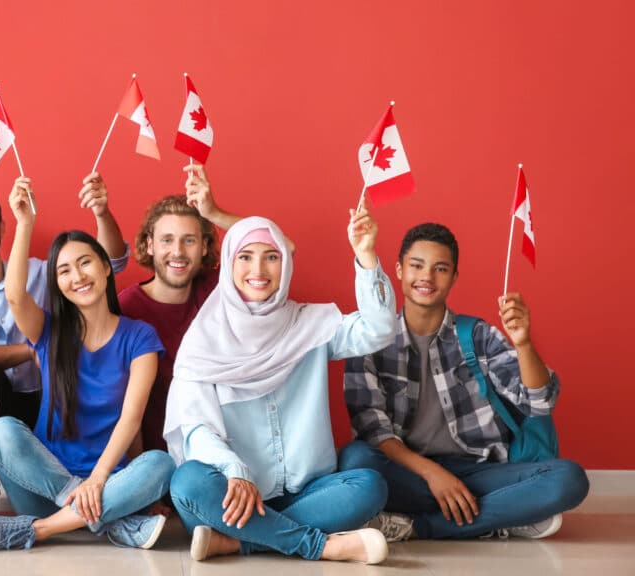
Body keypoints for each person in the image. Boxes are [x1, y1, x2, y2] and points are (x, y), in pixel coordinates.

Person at [165, 205, 397, 564]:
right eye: (245, 257)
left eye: (271, 257)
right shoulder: (203, 342)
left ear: (285, 264)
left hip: (308, 493)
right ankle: (321, 545)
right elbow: (197, 431)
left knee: (369, 486)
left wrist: (366, 257)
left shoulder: (310, 324)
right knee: (188, 484)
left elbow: (379, 329)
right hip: (232, 492)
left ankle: (239, 542)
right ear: (229, 264)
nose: (258, 270)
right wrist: (234, 470)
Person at [340, 222, 588, 541]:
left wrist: (524, 343)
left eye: (440, 269)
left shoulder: (478, 336)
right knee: (355, 463)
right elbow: (372, 429)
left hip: (481, 472)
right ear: (399, 270)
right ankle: (500, 515)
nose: (427, 277)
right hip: (410, 474)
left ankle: (418, 526)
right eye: (417, 266)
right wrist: (433, 474)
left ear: (454, 276)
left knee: (569, 480)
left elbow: (539, 402)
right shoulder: (370, 340)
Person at [0, 178, 175, 551]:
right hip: (45, 485)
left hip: (110, 480)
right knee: (1, 432)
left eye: (85, 263)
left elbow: (131, 419)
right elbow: (15, 296)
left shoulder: (140, 337)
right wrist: (25, 222)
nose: (77, 276)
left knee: (160, 464)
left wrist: (98, 480)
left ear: (106, 268)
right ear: (57, 283)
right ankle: (110, 523)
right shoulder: (50, 331)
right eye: (64, 270)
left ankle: (40, 530)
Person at [0, 175, 129, 429]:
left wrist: (102, 213)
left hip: (54, 395)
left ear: (2, 227)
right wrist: (33, 350)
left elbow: (112, 263)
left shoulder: (41, 273)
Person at [119, 164, 238, 454]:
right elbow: (119, 402)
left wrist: (214, 214)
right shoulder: (125, 308)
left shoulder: (215, 290)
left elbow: (281, 248)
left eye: (189, 240)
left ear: (205, 247)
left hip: (216, 452)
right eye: (167, 240)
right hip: (152, 460)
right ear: (150, 245)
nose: (178, 252)